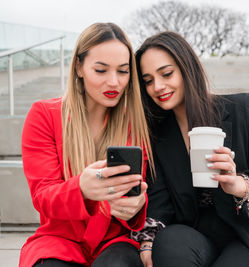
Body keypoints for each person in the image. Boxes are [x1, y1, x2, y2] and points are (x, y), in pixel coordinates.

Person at [133, 31, 249, 267]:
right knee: (169, 243)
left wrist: (238, 184)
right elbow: (159, 202)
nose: (158, 86)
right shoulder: (157, 134)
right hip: (197, 235)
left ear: (186, 68)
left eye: (167, 73)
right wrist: (147, 242)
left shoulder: (243, 109)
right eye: (148, 80)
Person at [19, 23, 153, 267]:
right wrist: (81, 190)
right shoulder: (44, 115)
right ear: (79, 67)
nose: (114, 82)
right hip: (59, 240)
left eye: (123, 71)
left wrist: (135, 207)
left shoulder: (135, 124)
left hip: (114, 242)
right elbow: (42, 196)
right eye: (101, 70)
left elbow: (134, 198)